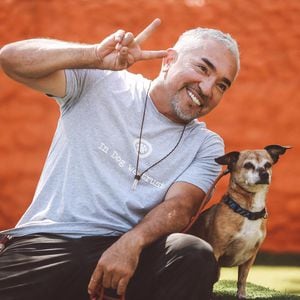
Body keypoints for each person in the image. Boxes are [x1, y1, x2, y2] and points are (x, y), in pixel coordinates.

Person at [0, 18, 239, 300]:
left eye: (222, 85)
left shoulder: (206, 144)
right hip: (51, 242)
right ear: (168, 60)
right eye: (202, 68)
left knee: (193, 254)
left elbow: (181, 206)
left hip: (132, 252)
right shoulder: (102, 81)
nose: (208, 89)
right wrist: (93, 56)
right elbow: (10, 59)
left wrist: (131, 243)